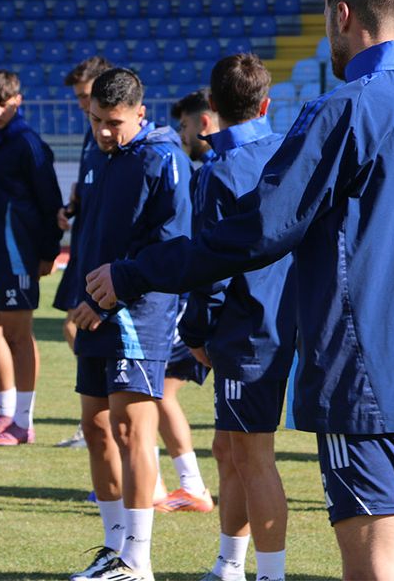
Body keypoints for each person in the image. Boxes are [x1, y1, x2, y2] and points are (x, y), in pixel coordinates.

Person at [86, 0, 394, 581]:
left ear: (342, 15)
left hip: (366, 380)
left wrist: (133, 272)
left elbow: (258, 232)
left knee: (373, 566)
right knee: (389, 553)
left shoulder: (343, 109)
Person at [70, 68, 191, 581]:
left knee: (130, 429)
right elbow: (91, 234)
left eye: (114, 122)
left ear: (140, 113)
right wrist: (81, 300)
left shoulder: (164, 158)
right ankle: (113, 548)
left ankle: (138, 560)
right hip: (94, 311)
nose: (103, 131)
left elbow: (172, 246)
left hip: (140, 314)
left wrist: (109, 298)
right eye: (96, 119)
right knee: (96, 428)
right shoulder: (98, 154)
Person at [178, 56, 294, 581]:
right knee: (229, 448)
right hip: (283, 318)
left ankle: (269, 573)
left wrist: (196, 331)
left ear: (212, 106)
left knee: (252, 455)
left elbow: (211, 265)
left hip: (246, 329)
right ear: (266, 105)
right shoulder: (288, 153)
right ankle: (229, 564)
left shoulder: (219, 171)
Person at [0, 70, 63, 446]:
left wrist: (47, 251)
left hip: (17, 254)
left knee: (17, 335)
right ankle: (5, 414)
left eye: (3, 104)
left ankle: (24, 422)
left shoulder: (28, 143)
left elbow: (50, 201)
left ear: (17, 101)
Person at [153, 89, 220, 514]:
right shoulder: (210, 169)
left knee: (157, 391)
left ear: (204, 123)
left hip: (204, 305)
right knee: (156, 390)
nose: (181, 134)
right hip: (203, 303)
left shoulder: (215, 171)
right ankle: (159, 483)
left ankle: (186, 486)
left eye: (184, 125)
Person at [54, 55, 114, 450]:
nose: (81, 104)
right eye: (78, 97)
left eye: (86, 95)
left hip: (103, 258)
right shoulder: (93, 135)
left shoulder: (113, 138)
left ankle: (99, 417)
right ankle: (96, 417)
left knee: (81, 329)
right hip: (85, 246)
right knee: (75, 328)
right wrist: (73, 206)